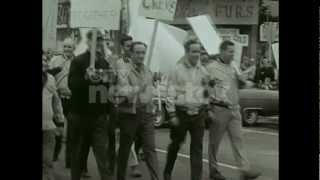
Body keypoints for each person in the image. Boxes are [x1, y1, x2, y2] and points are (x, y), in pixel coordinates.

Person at [206, 40, 261, 180]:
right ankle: (213, 170)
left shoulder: (233, 66)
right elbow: (205, 90)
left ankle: (245, 170)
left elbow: (240, 83)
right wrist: (208, 109)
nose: (233, 55)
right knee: (214, 143)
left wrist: (245, 79)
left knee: (238, 140)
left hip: (234, 109)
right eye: (230, 51)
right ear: (222, 51)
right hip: (219, 109)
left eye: (233, 52)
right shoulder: (211, 68)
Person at [68, 29, 113, 180]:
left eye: (100, 39)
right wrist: (86, 78)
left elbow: (106, 89)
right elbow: (72, 85)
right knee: (78, 154)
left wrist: (107, 111)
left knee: (102, 155)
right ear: (87, 41)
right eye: (94, 40)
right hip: (80, 114)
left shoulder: (104, 62)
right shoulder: (78, 61)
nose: (98, 43)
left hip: (98, 116)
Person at [163, 39, 209, 180]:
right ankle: (167, 172)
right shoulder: (177, 70)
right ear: (187, 52)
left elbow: (206, 90)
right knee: (176, 144)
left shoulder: (203, 70)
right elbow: (170, 92)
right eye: (194, 51)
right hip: (181, 113)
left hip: (198, 114)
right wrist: (171, 114)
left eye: (199, 51)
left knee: (197, 148)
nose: (197, 54)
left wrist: (206, 106)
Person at [115, 41, 160, 180]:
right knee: (125, 148)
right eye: (137, 52)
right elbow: (123, 91)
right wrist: (138, 88)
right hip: (130, 114)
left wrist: (153, 105)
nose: (141, 55)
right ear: (131, 53)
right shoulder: (124, 70)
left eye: (143, 53)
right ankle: (120, 177)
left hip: (146, 114)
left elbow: (150, 91)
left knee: (150, 149)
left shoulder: (148, 70)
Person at [108, 34, 142, 177]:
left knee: (128, 139)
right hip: (118, 105)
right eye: (128, 46)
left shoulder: (138, 63)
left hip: (134, 106)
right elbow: (111, 81)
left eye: (131, 46)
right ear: (122, 47)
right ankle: (114, 165)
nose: (130, 48)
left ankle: (128, 164)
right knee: (115, 138)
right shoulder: (116, 62)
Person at [42, 54, 65, 180]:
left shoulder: (50, 78)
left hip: (48, 125)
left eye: (45, 60)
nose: (44, 62)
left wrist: (60, 121)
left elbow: (56, 102)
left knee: (47, 158)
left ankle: (48, 175)